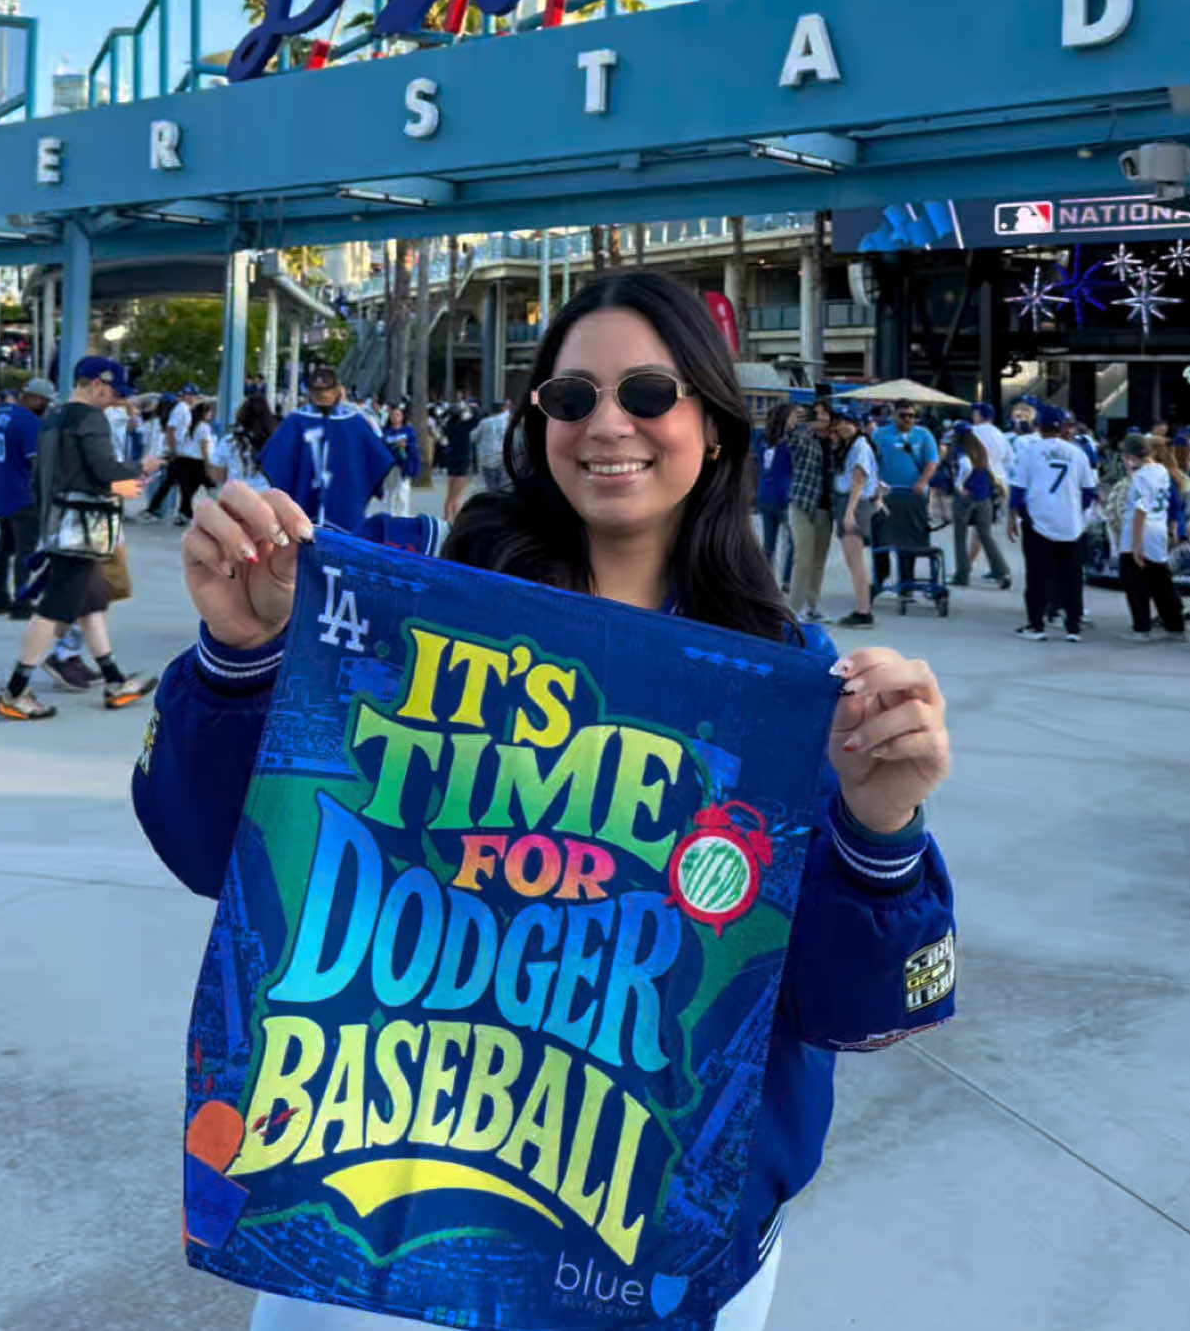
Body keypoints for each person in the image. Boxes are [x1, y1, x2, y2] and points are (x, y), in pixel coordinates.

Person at [134, 270, 955, 1331]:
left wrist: (879, 829)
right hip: (381, 1226)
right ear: (539, 423)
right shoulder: (409, 620)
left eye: (649, 393)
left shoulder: (790, 686)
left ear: (712, 420)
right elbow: (221, 857)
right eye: (572, 399)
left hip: (646, 1250)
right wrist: (242, 658)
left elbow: (849, 1008)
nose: (608, 424)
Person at [0, 356, 163, 720]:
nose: (116, 399)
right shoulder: (91, 419)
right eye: (114, 391)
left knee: (93, 600)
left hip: (60, 521)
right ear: (97, 383)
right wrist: (140, 470)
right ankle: (15, 691)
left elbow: (64, 474)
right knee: (54, 610)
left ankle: (115, 679)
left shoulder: (54, 417)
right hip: (83, 529)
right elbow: (103, 472)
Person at [258, 363, 394, 530]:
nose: (322, 395)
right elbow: (276, 461)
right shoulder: (296, 422)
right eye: (318, 391)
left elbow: (377, 459)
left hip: (345, 507)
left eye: (326, 390)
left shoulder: (354, 422)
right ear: (309, 392)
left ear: (337, 390)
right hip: (303, 508)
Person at [1008, 404, 1096, 643]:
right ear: (1064, 428)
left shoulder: (1030, 451)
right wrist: (1074, 510)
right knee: (1072, 576)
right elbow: (1089, 492)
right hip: (1071, 523)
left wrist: (1012, 519)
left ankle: (1037, 625)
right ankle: (1073, 627)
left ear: (1039, 427)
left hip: (1039, 521)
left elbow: (1018, 490)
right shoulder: (1077, 453)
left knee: (1038, 575)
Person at [0, 378, 56, 619]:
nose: (45, 407)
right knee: (25, 551)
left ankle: (0, 597)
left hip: (0, 490)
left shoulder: (4, 415)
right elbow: (36, 464)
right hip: (23, 493)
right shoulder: (30, 423)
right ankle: (21, 602)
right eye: (45, 402)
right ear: (35, 398)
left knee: (5, 548)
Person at [1117, 433, 1185, 641]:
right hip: (1158, 531)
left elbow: (1140, 509)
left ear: (1129, 455)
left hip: (1140, 533)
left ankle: (1142, 628)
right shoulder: (1161, 471)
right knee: (1161, 581)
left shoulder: (1142, 477)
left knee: (1135, 581)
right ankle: (1175, 625)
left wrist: (1136, 544)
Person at [872, 402, 938, 586]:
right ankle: (880, 576)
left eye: (911, 415)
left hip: (914, 495)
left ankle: (907, 579)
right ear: (894, 415)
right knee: (882, 535)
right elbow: (872, 461)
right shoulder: (880, 434)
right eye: (903, 415)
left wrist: (922, 482)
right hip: (887, 494)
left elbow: (932, 462)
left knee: (911, 539)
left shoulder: (923, 435)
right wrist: (876, 484)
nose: (908, 419)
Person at [831, 410, 879, 627]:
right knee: (854, 560)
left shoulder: (859, 446)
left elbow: (859, 479)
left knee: (855, 560)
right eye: (840, 422)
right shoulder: (852, 445)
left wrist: (849, 512)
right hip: (852, 502)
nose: (842, 426)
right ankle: (863, 608)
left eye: (847, 422)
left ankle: (863, 611)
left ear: (857, 425)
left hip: (854, 504)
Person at [786, 400, 833, 621]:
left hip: (826, 507)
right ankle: (794, 609)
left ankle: (812, 606)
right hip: (803, 503)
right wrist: (793, 421)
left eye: (825, 414)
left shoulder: (836, 441)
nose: (821, 417)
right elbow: (793, 440)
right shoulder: (805, 435)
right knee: (802, 558)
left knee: (819, 560)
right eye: (817, 413)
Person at [950, 426, 1010, 589]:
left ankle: (962, 575)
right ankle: (1001, 570)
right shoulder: (981, 450)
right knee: (985, 535)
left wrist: (958, 484)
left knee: (960, 536)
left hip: (966, 497)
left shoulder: (960, 449)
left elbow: (965, 466)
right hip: (984, 497)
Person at [141, 384, 198, 521]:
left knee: (170, 483)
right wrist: (174, 451)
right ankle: (175, 512)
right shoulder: (181, 409)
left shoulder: (178, 410)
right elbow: (171, 431)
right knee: (179, 483)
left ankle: (157, 509)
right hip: (175, 451)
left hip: (173, 450)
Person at [756, 403, 794, 582]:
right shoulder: (791, 441)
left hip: (765, 494)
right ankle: (786, 579)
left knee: (768, 543)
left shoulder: (762, 439)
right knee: (791, 542)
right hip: (785, 496)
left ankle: (765, 580)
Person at [212, 394, 277, 492]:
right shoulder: (274, 442)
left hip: (236, 496)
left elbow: (219, 476)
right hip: (266, 496)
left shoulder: (228, 441)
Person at [441, 389, 480, 522]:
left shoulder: (449, 428)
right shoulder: (465, 426)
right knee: (457, 498)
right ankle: (457, 524)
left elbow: (443, 420)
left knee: (450, 497)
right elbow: (477, 418)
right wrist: (472, 407)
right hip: (463, 461)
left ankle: (446, 520)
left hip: (452, 460)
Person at [380, 403, 420, 516]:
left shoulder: (408, 431)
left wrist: (406, 446)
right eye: (393, 415)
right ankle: (389, 515)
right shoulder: (386, 431)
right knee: (390, 493)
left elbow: (414, 447)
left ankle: (403, 516)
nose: (395, 417)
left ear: (402, 417)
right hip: (390, 466)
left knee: (403, 493)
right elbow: (382, 447)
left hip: (404, 466)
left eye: (398, 415)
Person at [471, 397, 511, 493]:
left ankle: (494, 504)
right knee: (504, 488)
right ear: (503, 408)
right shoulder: (509, 422)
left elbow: (472, 437)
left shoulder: (485, 422)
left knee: (491, 488)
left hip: (488, 459)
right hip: (504, 459)